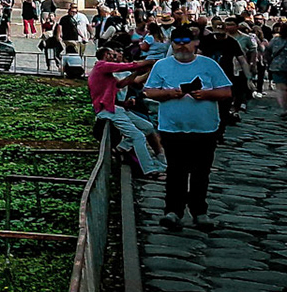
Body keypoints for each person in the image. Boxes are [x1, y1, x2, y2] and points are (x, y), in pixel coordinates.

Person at [143, 27, 233, 230]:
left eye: (186, 41)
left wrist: (207, 95)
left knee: (201, 172)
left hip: (205, 128)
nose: (182, 45)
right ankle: (173, 211)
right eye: (177, 41)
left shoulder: (209, 65)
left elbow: (226, 91)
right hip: (172, 128)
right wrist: (168, 93)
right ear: (172, 43)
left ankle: (200, 212)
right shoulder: (162, 65)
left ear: (196, 43)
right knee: (176, 171)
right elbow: (149, 91)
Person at [88, 47, 165, 177]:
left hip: (116, 107)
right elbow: (128, 66)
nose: (115, 57)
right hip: (107, 109)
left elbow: (121, 84)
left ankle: (121, 148)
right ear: (106, 54)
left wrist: (135, 72)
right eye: (112, 54)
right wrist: (150, 62)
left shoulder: (105, 73)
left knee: (148, 127)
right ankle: (149, 170)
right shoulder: (101, 66)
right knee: (138, 136)